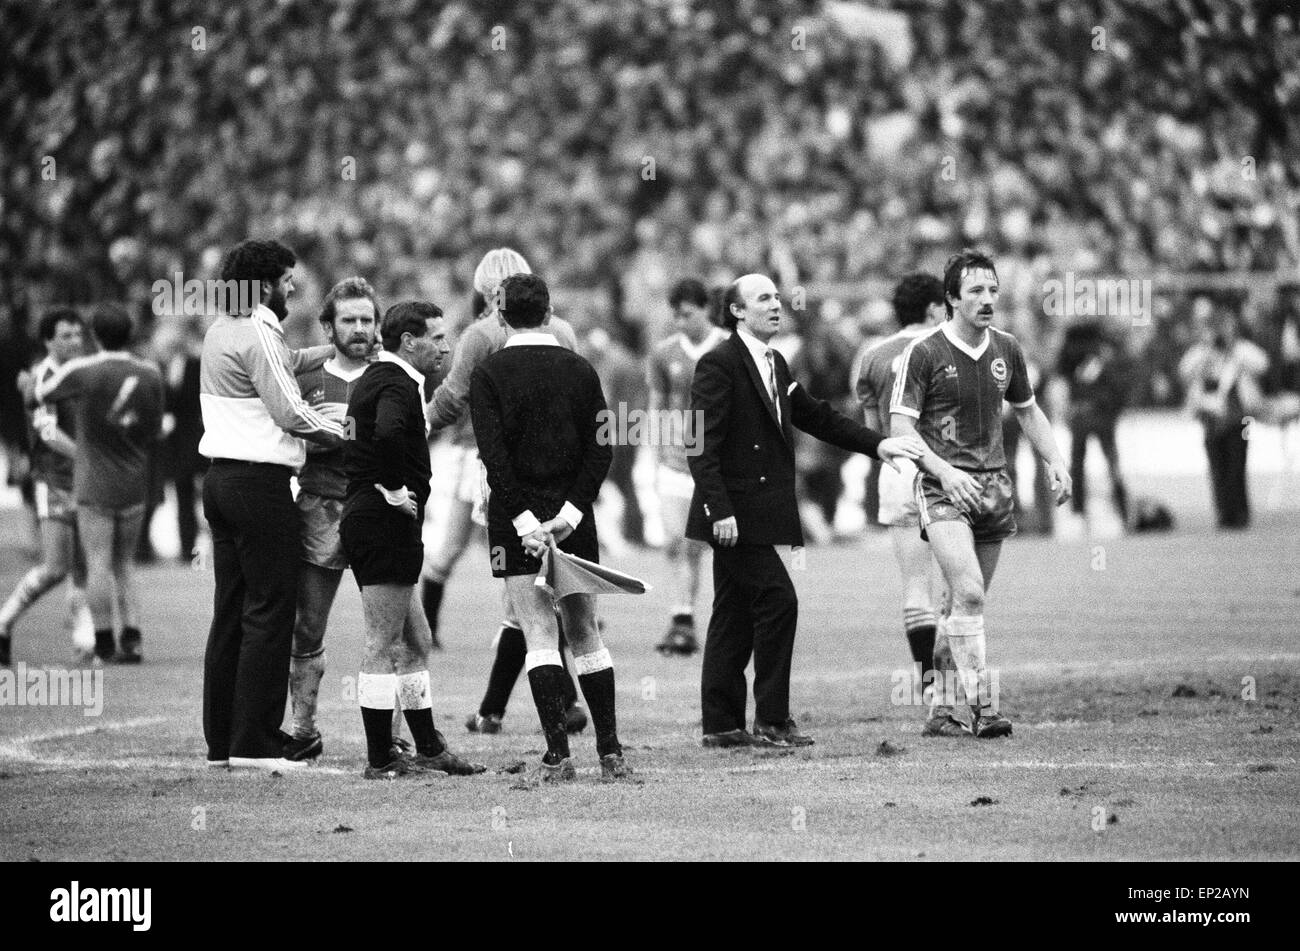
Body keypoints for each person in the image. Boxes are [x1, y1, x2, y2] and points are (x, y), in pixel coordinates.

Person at [689, 273, 925, 749]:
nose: (777, 304)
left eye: (777, 296)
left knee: (732, 613)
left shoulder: (774, 362)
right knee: (779, 601)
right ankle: (772, 720)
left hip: (756, 512)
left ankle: (721, 724)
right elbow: (702, 446)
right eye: (763, 299)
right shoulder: (718, 364)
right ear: (737, 312)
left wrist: (879, 445)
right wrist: (719, 510)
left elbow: (818, 417)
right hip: (732, 514)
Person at [890, 249, 1072, 739]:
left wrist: (1056, 460)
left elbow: (1029, 411)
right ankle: (984, 709)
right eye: (975, 291)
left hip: (994, 489)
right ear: (950, 299)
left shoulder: (1007, 349)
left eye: (992, 290)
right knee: (968, 592)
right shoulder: (924, 353)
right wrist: (944, 473)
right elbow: (900, 428)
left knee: (960, 608)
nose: (987, 299)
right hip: (943, 489)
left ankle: (939, 711)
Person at [470, 273, 631, 782]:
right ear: (549, 311)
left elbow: (494, 458)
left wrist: (522, 521)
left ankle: (558, 756)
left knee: (538, 633)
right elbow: (601, 447)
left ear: (500, 316)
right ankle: (610, 752)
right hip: (571, 523)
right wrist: (571, 514)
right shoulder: (580, 370)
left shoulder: (488, 374)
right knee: (584, 632)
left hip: (515, 523)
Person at [424, 248, 586, 735]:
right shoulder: (565, 333)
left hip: (494, 468)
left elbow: (452, 400)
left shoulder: (479, 336)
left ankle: (539, 706)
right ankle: (517, 706)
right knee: (540, 591)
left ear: (486, 290)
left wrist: (408, 425)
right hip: (557, 473)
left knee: (519, 593)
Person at [198, 238, 343, 770]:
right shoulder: (260, 330)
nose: (293, 289)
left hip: (220, 482)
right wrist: (349, 434)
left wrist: (330, 353)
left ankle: (224, 742)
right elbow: (291, 413)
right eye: (286, 280)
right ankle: (255, 743)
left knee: (231, 612)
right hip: (260, 487)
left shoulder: (221, 328)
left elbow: (280, 365)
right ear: (264, 285)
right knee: (271, 609)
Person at [341, 300, 484, 780]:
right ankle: (381, 758)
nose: (446, 346)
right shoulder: (395, 382)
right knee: (382, 643)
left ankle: (428, 747)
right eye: (437, 337)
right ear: (408, 341)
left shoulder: (388, 379)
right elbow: (385, 434)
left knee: (417, 639)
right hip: (382, 524)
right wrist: (396, 490)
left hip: (377, 523)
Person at [854, 273, 965, 736]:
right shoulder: (952, 347)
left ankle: (932, 692)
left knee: (914, 587)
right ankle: (955, 687)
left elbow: (875, 430)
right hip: (952, 471)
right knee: (960, 586)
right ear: (937, 308)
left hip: (898, 472)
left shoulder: (872, 357)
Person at [34, 305, 166, 665]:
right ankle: (134, 638)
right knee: (125, 564)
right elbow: (155, 429)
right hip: (134, 482)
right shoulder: (150, 373)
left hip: (93, 483)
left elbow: (42, 394)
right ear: (130, 334)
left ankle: (105, 643)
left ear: (94, 335)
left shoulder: (83, 370)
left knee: (98, 564)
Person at [285, 277, 383, 762]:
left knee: (394, 631)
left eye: (368, 319)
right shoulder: (304, 377)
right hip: (320, 507)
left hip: (378, 510)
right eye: (350, 320)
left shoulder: (392, 376)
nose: (360, 328)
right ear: (329, 326)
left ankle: (394, 736)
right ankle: (303, 728)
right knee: (308, 624)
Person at [0, 309, 91, 666]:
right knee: (55, 567)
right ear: (48, 340)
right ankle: (4, 621)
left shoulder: (78, 373)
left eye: (77, 334)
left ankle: (86, 640)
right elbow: (46, 430)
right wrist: (85, 455)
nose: (73, 341)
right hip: (53, 479)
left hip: (82, 481)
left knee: (84, 564)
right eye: (65, 336)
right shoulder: (42, 377)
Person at [648, 278, 727, 655]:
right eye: (675, 315)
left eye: (687, 314)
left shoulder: (728, 348)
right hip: (676, 462)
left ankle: (690, 619)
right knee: (673, 541)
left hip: (715, 464)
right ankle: (683, 618)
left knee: (699, 545)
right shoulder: (664, 354)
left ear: (706, 309)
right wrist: (658, 452)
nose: (680, 322)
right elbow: (657, 406)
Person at [1179, 311, 1269, 529]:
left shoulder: (1240, 351)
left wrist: (1234, 347)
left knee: (1237, 465)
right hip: (1211, 419)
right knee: (1217, 466)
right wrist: (1206, 349)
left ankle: (1240, 513)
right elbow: (1184, 370)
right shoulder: (1201, 354)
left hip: (1240, 418)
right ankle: (1223, 512)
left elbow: (1262, 364)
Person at [1056, 320, 1131, 527]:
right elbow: (1119, 386)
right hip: (1101, 414)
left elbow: (1062, 379)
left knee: (1078, 464)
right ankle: (1123, 510)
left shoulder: (1070, 348)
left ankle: (1079, 512)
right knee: (1110, 462)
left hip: (1082, 412)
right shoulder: (1105, 348)